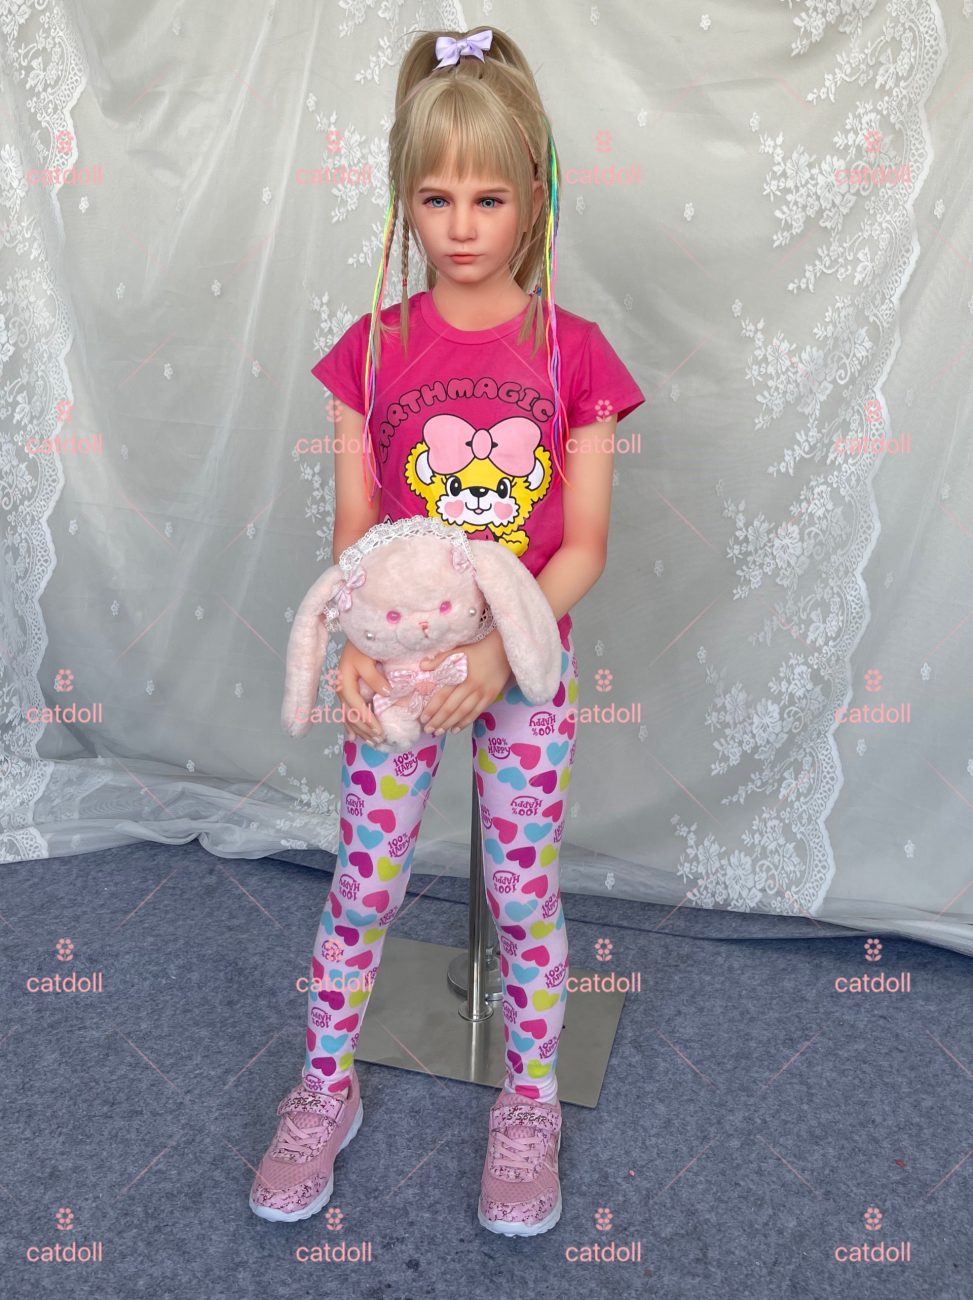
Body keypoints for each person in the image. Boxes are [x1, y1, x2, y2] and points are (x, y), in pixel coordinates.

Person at [250, 25, 645, 1238]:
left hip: (518, 660)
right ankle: (325, 1086)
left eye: (488, 197)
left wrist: (495, 655)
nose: (462, 225)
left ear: (533, 197)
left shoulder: (576, 358)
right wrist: (355, 649)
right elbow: (355, 532)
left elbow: (581, 545)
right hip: (394, 664)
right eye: (435, 198)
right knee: (363, 883)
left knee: (522, 896)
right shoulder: (370, 355)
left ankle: (528, 1104)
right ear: (403, 202)